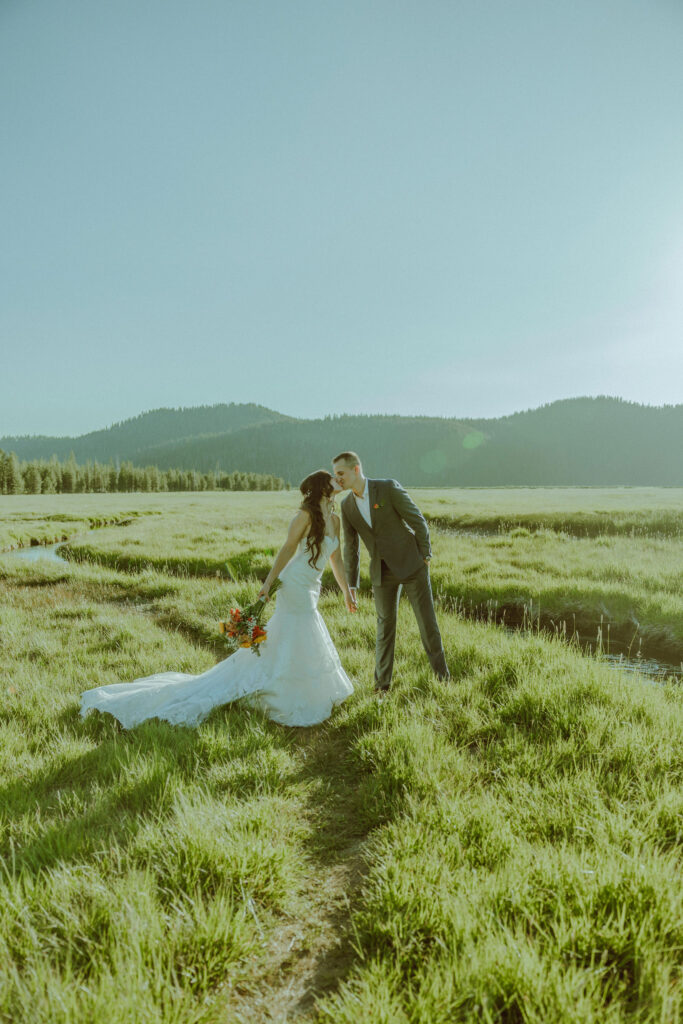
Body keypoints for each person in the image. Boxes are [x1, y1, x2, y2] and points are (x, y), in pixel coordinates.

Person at [80, 471, 355, 729]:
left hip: (312, 585)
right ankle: (281, 690)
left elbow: (337, 559)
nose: (338, 480)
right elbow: (287, 549)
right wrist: (269, 583)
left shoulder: (335, 520)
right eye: (333, 478)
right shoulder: (305, 515)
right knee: (300, 627)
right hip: (294, 583)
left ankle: (297, 688)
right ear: (323, 487)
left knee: (296, 631)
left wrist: (346, 591)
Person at [332, 451, 449, 692]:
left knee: (427, 625)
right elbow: (351, 548)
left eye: (341, 473)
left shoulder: (387, 488)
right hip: (380, 573)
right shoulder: (346, 506)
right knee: (384, 629)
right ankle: (381, 687)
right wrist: (351, 586)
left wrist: (425, 555)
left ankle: (443, 678)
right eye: (335, 475)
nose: (338, 479)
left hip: (412, 566)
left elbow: (417, 520)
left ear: (356, 470)